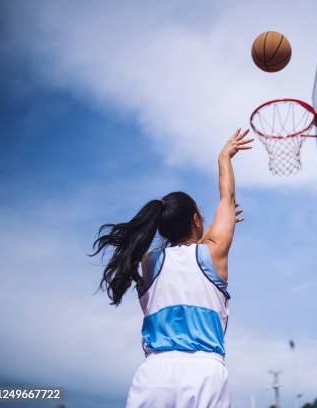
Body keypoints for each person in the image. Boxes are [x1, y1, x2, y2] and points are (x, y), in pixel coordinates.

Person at [91, 129, 253, 407]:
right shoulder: (213, 253)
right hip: (204, 373)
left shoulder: (147, 262)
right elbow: (227, 199)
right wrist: (224, 157)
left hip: (156, 374)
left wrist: (205, 235)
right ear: (196, 220)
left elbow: (182, 254)